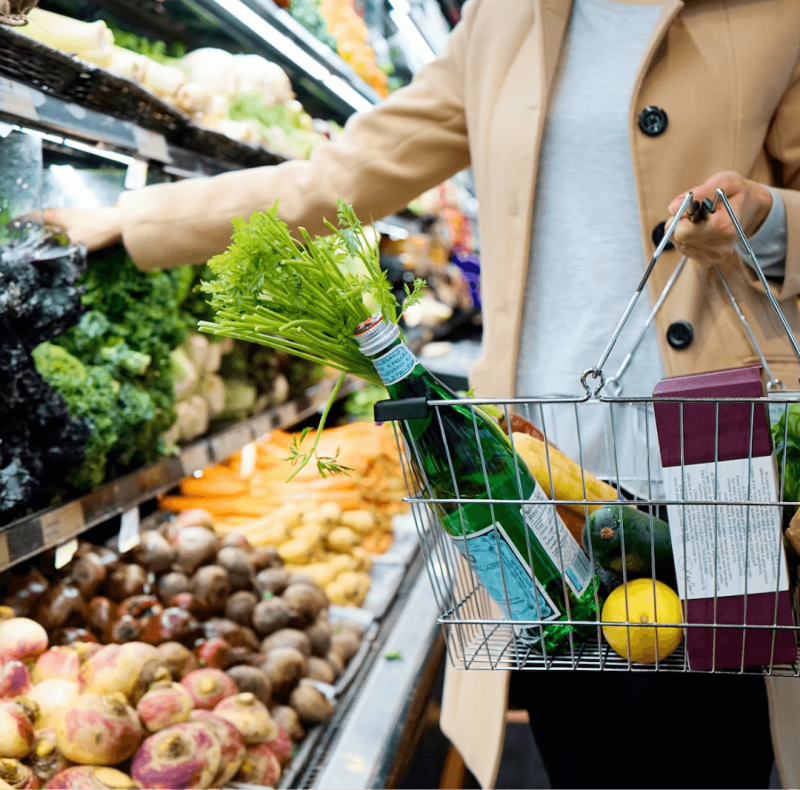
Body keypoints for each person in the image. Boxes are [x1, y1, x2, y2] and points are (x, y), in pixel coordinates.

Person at [44, 0, 800, 787]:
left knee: (716, 753)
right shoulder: (506, 21)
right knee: (585, 753)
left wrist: (767, 220)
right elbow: (339, 178)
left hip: (720, 461)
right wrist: (134, 217)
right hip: (532, 467)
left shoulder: (774, 12)